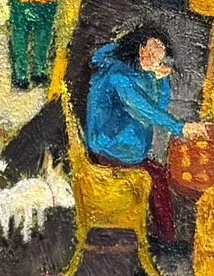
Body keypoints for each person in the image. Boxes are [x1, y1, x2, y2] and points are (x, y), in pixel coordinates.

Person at [84, 26, 198, 248]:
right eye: (152, 50)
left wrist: (160, 81)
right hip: (110, 149)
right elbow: (143, 110)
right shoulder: (118, 74)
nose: (155, 59)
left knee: (159, 173)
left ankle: (163, 235)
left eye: (160, 55)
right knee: (158, 177)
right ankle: (166, 240)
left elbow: (159, 106)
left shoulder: (135, 72)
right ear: (139, 46)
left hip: (122, 147)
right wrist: (180, 128)